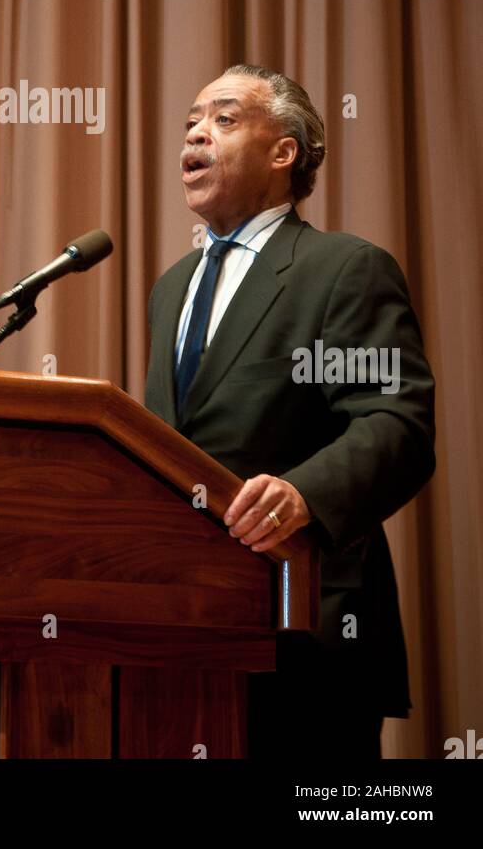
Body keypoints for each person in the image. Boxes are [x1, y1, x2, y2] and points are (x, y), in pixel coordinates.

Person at [144, 64, 436, 760]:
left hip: (305, 625)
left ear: (283, 152)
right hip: (179, 633)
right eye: (190, 120)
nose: (195, 132)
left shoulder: (341, 269)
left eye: (222, 117)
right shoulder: (171, 287)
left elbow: (395, 424)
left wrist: (303, 493)